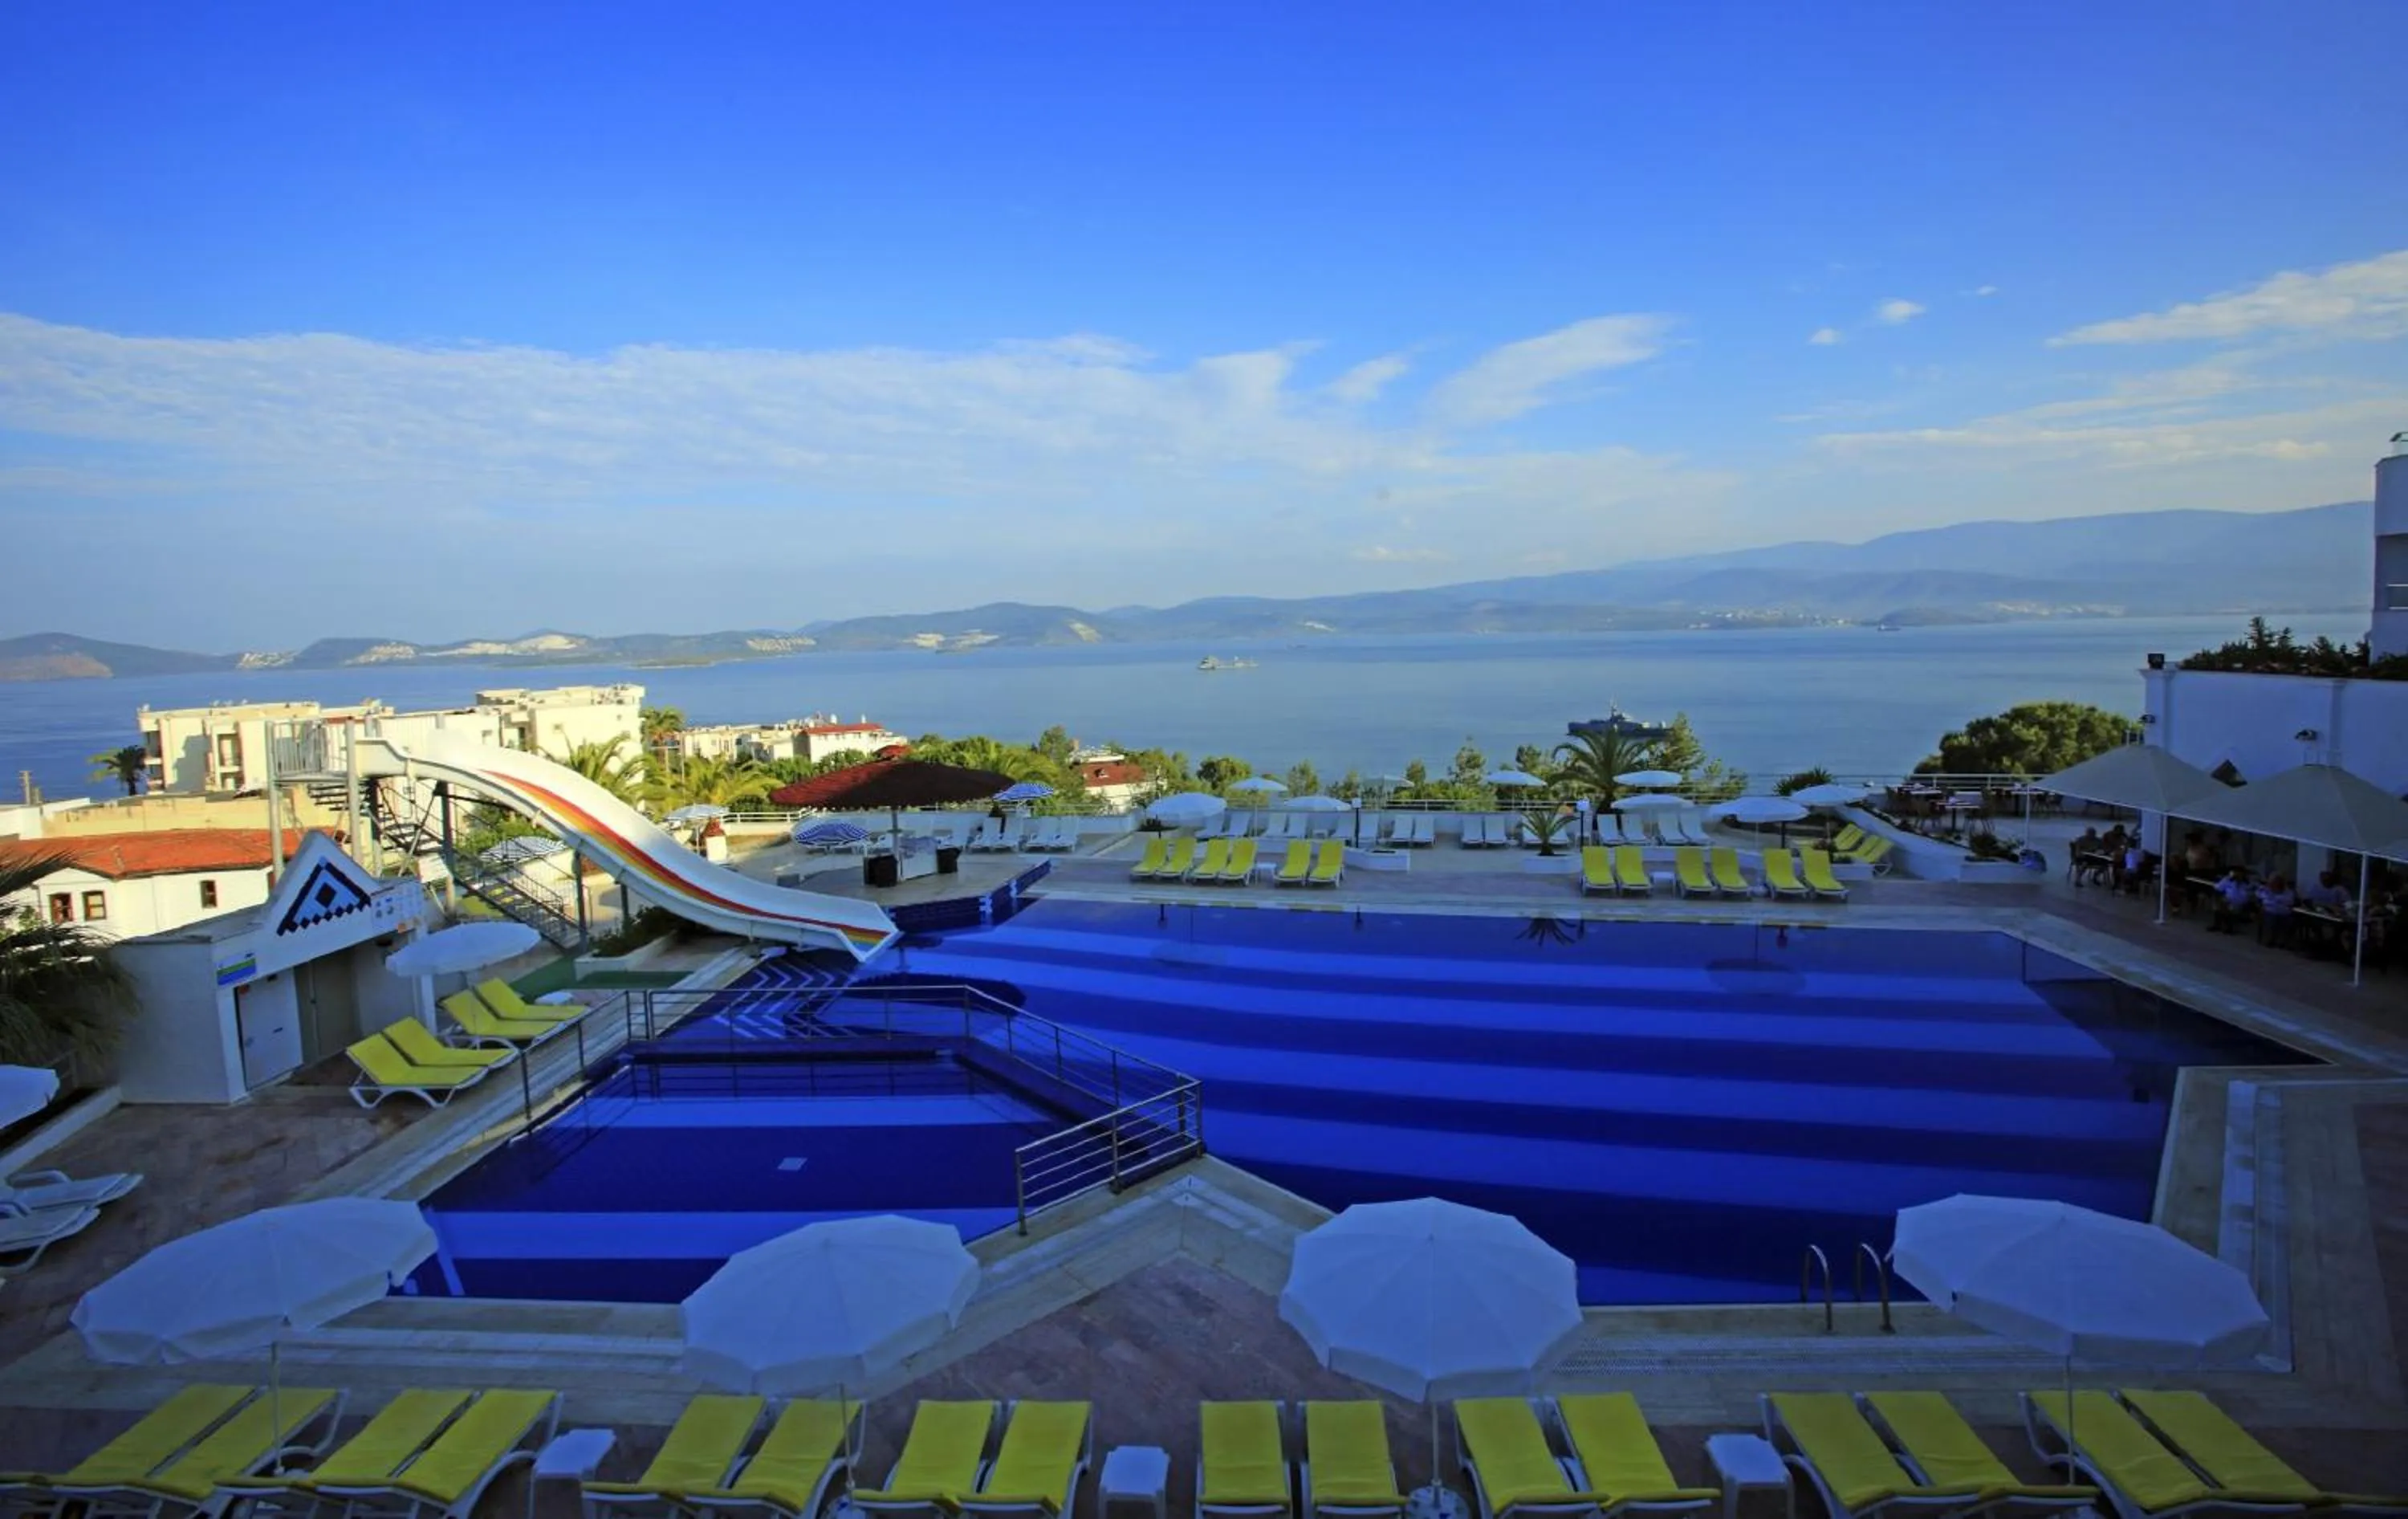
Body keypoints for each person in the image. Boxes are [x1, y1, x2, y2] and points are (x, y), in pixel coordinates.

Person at [2209, 867, 2255, 935]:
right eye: (2236, 873)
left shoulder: (2248, 883)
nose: (2238, 875)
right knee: (2220, 903)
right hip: (2228, 900)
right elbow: (2219, 888)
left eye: (2240, 873)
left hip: (2241, 902)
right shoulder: (2228, 880)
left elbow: (2251, 894)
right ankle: (2219, 925)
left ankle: (2228, 926)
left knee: (2227, 906)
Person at [2256, 874, 2297, 948]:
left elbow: (2289, 901)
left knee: (2290, 921)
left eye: (2279, 881)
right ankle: (2270, 940)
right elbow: (2264, 899)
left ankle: (2284, 942)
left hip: (2285, 913)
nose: (2277, 883)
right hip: (2270, 911)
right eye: (2275, 881)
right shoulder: (2265, 889)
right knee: (2271, 919)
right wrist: (2277, 900)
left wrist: (2274, 899)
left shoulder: (2288, 891)